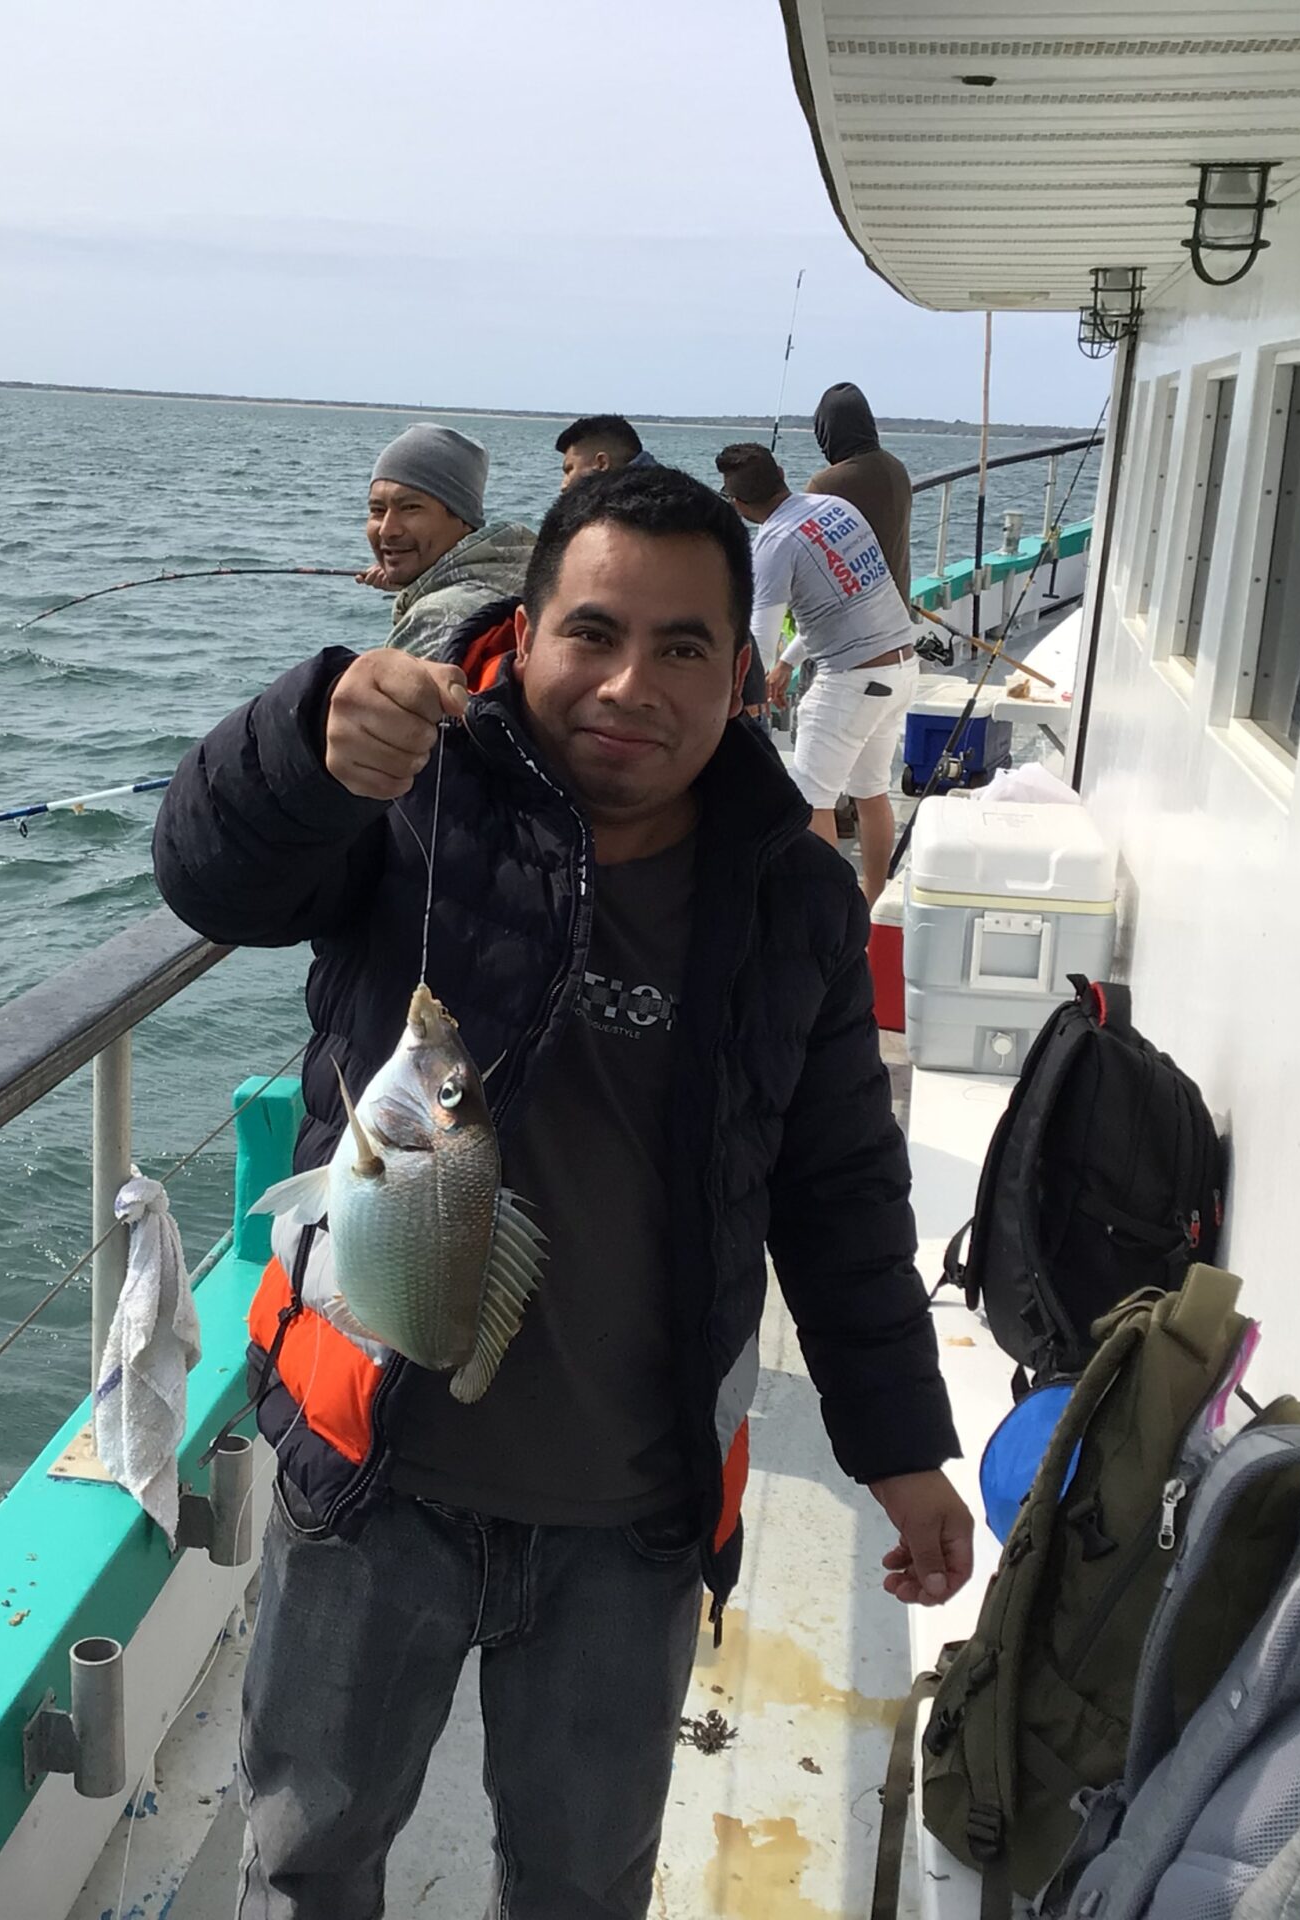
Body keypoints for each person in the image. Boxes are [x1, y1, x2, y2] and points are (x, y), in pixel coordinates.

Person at [154, 464, 969, 1919]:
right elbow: (212, 881)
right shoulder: (417, 804)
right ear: (521, 638)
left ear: (750, 673)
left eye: (682, 648)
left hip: (633, 1514)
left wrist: (902, 1446)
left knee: (584, 1880)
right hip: (371, 1477)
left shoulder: (790, 894)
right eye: (591, 633)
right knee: (304, 1852)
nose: (628, 683)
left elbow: (839, 1188)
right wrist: (305, 742)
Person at [716, 444, 918, 908]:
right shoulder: (837, 508)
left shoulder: (773, 543)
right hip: (900, 668)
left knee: (811, 803)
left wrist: (740, 694)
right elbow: (841, 597)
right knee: (871, 791)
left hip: (851, 681)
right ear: (783, 475)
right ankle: (871, 902)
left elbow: (758, 638)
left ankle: (827, 918)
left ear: (737, 504)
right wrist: (788, 661)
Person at [360, 421, 537, 656]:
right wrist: (417, 587)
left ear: (463, 518)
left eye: (411, 507)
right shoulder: (531, 579)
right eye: (377, 510)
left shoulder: (435, 617)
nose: (387, 530)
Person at [806, 381, 913, 586]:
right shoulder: (896, 468)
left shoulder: (825, 485)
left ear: (826, 429)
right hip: (897, 606)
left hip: (853, 615)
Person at [555, 412, 657, 489]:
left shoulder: (618, 512)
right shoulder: (667, 494)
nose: (563, 485)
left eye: (569, 470)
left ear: (602, 463)